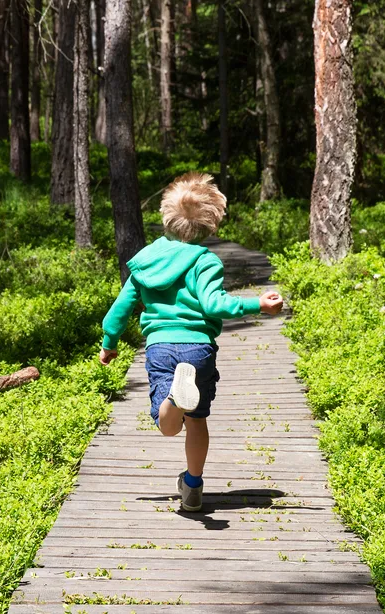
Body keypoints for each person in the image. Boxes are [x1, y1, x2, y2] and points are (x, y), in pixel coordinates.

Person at [98, 172, 283, 511]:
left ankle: (171, 401)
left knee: (167, 426)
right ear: (210, 226)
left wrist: (109, 342)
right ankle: (193, 486)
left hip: (160, 347)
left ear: (165, 214)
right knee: (197, 419)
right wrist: (258, 303)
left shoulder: (146, 260)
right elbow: (215, 304)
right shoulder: (204, 261)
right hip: (197, 348)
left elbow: (119, 309)